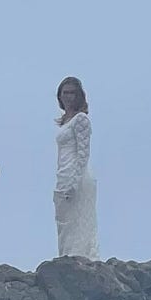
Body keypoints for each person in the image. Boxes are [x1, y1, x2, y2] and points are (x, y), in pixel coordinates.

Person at [53, 76, 98, 258]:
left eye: (72, 93)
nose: (68, 97)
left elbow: (83, 153)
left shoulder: (81, 120)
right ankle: (66, 257)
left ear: (79, 95)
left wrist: (74, 182)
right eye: (65, 93)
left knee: (78, 220)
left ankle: (81, 258)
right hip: (63, 173)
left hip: (77, 174)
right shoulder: (64, 120)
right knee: (64, 221)